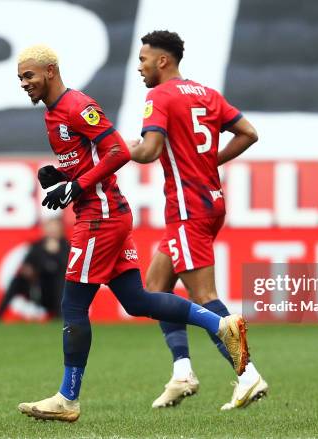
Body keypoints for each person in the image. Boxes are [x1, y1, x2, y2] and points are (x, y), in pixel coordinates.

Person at [15, 44, 250, 423]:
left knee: (73, 305)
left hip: (100, 217)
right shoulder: (55, 112)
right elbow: (91, 159)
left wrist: (77, 187)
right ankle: (219, 324)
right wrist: (62, 176)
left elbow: (117, 152)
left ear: (51, 71)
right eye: (21, 78)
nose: (25, 84)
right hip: (109, 214)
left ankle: (67, 398)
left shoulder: (77, 106)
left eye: (30, 75)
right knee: (138, 300)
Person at [128, 30, 267, 410]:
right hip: (208, 200)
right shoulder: (205, 93)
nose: (139, 66)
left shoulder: (158, 95)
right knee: (156, 287)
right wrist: (211, 162)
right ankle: (182, 372)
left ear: (162, 61)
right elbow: (248, 133)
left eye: (143, 59)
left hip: (188, 206)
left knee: (204, 296)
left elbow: (150, 149)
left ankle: (248, 374)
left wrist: (120, 149)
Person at [0, 216, 69, 321]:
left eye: (54, 228)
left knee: (60, 282)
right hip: (38, 289)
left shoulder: (67, 247)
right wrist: (29, 271)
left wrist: (55, 253)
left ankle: (59, 316)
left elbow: (67, 269)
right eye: (49, 227)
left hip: (57, 292)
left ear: (60, 230)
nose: (52, 231)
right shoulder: (37, 246)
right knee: (17, 281)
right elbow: (26, 266)